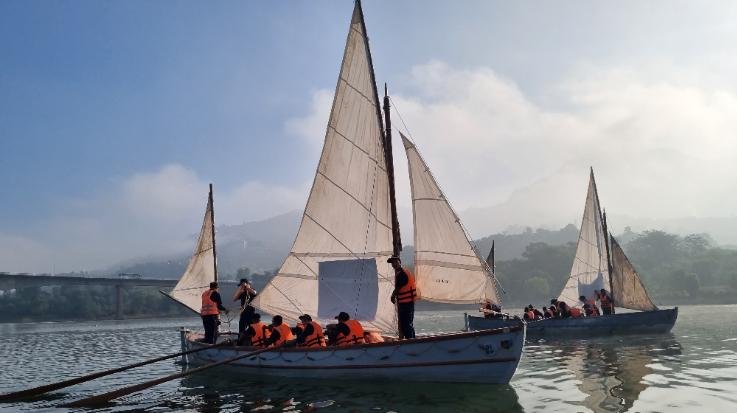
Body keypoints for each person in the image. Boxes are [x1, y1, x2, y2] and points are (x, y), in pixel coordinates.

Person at [389, 256, 417, 339]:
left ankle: (411, 342)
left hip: (407, 303)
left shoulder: (402, 273)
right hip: (404, 303)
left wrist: (393, 296)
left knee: (406, 324)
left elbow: (398, 288)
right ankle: (410, 340)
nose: (394, 264)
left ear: (399, 262)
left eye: (395, 262)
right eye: (392, 263)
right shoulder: (400, 273)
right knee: (405, 324)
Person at [233, 278, 258, 344]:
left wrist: (247, 287)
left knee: (252, 328)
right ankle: (240, 342)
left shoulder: (252, 290)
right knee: (241, 328)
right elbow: (234, 299)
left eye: (242, 285)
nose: (242, 286)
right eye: (241, 285)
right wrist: (240, 291)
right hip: (243, 313)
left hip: (251, 313)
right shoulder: (242, 291)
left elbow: (255, 293)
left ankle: (252, 342)